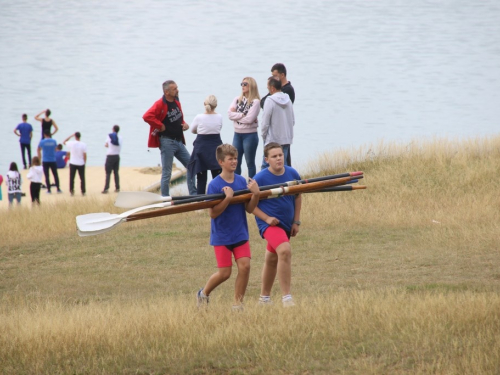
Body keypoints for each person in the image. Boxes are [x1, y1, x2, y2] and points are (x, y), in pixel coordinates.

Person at [197, 144, 260, 310]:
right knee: (225, 273)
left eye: (235, 158)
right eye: (230, 159)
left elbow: (249, 209)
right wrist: (227, 199)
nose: (234, 162)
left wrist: (256, 195)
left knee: (245, 266)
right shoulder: (214, 185)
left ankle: (238, 305)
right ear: (221, 162)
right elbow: (213, 214)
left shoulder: (241, 180)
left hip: (240, 233)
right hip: (222, 236)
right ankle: (203, 294)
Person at [252, 143, 302, 307]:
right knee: (285, 251)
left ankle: (264, 298)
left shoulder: (292, 173)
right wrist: (266, 218)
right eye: (274, 156)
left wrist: (296, 221)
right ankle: (286, 297)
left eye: (280, 155)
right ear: (267, 160)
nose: (279, 158)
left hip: (287, 224)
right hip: (269, 225)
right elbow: (250, 206)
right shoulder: (259, 178)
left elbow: (297, 196)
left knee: (272, 258)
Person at [143, 80, 196, 197]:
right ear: (166, 92)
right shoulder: (159, 104)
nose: (177, 90)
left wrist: (184, 124)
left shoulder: (177, 101)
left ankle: (193, 195)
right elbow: (147, 116)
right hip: (167, 142)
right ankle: (165, 199)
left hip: (178, 141)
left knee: (191, 165)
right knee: (167, 172)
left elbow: (178, 117)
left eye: (177, 88)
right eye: (174, 89)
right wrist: (159, 125)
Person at [260, 63, 295, 166]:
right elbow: (292, 120)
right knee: (283, 166)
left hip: (272, 140)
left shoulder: (270, 100)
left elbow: (265, 122)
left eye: (268, 88)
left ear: (272, 88)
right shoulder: (287, 99)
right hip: (286, 138)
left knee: (266, 166)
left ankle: (261, 183)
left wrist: (264, 137)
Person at [188, 95, 223, 194]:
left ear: (204, 104)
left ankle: (200, 201)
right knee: (217, 177)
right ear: (216, 105)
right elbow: (219, 129)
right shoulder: (219, 117)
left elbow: (192, 130)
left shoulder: (199, 117)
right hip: (215, 148)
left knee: (201, 179)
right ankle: (218, 199)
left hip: (201, 148)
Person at [228, 77, 261, 178]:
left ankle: (251, 185)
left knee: (250, 163)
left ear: (251, 86)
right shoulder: (237, 99)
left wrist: (236, 116)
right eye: (241, 84)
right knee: (235, 161)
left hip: (250, 135)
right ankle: (237, 185)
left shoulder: (255, 102)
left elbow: (249, 119)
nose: (243, 86)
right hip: (237, 134)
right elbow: (229, 114)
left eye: (245, 84)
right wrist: (242, 115)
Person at [63, 132, 87, 196]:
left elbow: (64, 141)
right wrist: (84, 162)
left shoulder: (71, 143)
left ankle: (71, 191)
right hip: (81, 163)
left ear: (75, 136)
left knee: (72, 178)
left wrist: (71, 136)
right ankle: (83, 191)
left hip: (73, 162)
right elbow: (84, 155)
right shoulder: (83, 144)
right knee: (82, 178)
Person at [38, 129, 62, 194]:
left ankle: (49, 190)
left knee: (47, 175)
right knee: (55, 174)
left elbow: (38, 149)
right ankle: (58, 189)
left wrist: (39, 159)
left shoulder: (42, 142)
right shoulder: (54, 141)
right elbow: (55, 149)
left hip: (45, 160)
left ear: (44, 135)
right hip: (53, 160)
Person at [102, 125, 122, 194]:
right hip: (117, 156)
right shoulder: (120, 137)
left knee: (108, 173)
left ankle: (106, 189)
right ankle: (117, 188)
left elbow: (106, 145)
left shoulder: (109, 136)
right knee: (116, 172)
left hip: (110, 156)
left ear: (113, 129)